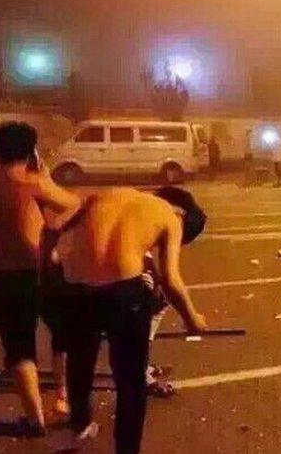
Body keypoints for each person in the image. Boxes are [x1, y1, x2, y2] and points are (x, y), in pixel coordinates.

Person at [53, 186, 208, 453]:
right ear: (182, 212)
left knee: (80, 361)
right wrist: (193, 320)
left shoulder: (112, 194)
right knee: (131, 381)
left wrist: (51, 263)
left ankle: (80, 423)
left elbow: (56, 224)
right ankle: (127, 449)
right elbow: (171, 279)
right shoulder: (170, 217)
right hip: (124, 293)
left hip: (77, 285)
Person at [0, 122, 81, 437]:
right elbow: (74, 204)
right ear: (31, 150)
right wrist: (45, 180)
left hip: (2, 275)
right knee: (63, 332)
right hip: (40, 269)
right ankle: (62, 397)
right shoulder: (32, 183)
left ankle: (35, 421)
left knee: (20, 349)